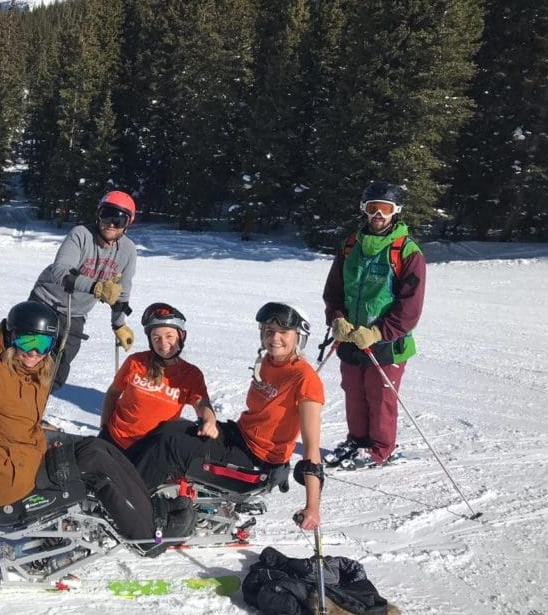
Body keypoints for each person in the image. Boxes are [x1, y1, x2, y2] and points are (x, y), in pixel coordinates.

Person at [0, 300, 186, 552]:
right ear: (12, 337)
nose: (34, 352)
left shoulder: (31, 374)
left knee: (98, 447)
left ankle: (146, 507)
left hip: (24, 461)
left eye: (43, 343)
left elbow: (15, 422)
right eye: (27, 340)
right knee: (96, 461)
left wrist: (49, 437)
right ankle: (147, 536)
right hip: (9, 483)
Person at [135, 302, 326, 531]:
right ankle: (121, 479)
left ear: (299, 337)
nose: (274, 338)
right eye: (269, 331)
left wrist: (312, 507)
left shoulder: (305, 379)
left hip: (258, 460)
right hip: (239, 437)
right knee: (168, 429)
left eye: (283, 332)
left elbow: (312, 450)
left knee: (172, 445)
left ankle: (129, 503)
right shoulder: (268, 362)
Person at [322, 181, 426, 469]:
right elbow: (334, 290)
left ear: (396, 212)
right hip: (352, 336)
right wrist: (337, 318)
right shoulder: (350, 245)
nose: (378, 214)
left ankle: (381, 449)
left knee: (380, 397)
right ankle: (357, 439)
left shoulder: (407, 251)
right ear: (364, 210)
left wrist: (378, 332)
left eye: (385, 209)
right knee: (354, 391)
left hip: (386, 342)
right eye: (372, 208)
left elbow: (410, 307)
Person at [26, 191, 138, 389]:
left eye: (118, 219)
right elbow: (61, 272)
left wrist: (118, 325)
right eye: (107, 214)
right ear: (98, 214)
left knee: (57, 372)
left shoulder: (128, 250)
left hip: (75, 313)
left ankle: (32, 412)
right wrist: (97, 288)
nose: (111, 223)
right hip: (46, 302)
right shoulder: (81, 234)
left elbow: (122, 293)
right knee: (29, 356)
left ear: (127, 223)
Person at [99, 302, 217, 467]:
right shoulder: (136, 362)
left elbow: (202, 404)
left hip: (150, 452)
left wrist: (209, 421)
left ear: (181, 336)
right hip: (114, 440)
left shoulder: (191, 375)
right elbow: (113, 393)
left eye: (169, 336)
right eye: (156, 338)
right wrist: (104, 429)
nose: (163, 344)